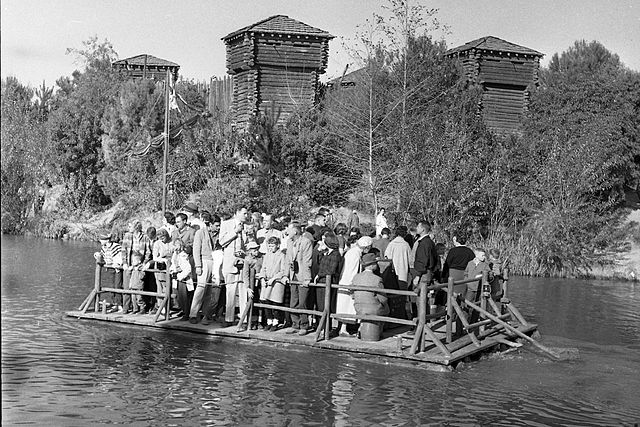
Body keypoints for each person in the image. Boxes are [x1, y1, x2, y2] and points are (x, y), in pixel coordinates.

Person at [189, 212, 223, 325]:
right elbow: (196, 249)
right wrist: (198, 265)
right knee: (201, 288)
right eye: (217, 225)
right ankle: (193, 314)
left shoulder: (218, 235)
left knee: (209, 290)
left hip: (214, 261)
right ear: (211, 224)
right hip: (204, 261)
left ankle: (205, 314)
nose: (218, 228)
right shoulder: (201, 232)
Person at [336, 236, 373, 335]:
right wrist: (353, 286)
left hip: (345, 282)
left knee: (346, 307)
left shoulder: (352, 252)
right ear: (366, 247)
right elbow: (352, 272)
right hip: (348, 284)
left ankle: (344, 328)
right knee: (347, 307)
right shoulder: (355, 255)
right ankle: (343, 329)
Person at [219, 205, 249, 327]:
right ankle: (229, 318)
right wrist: (235, 232)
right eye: (244, 213)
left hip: (242, 262)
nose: (246, 216)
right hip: (230, 262)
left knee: (243, 292)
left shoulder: (248, 226)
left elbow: (249, 244)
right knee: (230, 291)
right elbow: (221, 242)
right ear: (237, 213)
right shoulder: (226, 224)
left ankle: (244, 319)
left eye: (247, 214)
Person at [284, 222, 313, 335]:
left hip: (302, 275)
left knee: (302, 301)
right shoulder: (289, 242)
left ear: (295, 231)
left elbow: (307, 261)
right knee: (293, 300)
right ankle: (295, 323)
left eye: (289, 229)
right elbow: (287, 260)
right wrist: (285, 275)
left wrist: (307, 278)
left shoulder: (306, 242)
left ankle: (304, 325)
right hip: (293, 275)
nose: (287, 231)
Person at [121, 220, 152, 314]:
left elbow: (148, 252)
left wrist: (144, 263)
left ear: (136, 227)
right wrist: (125, 263)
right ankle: (126, 307)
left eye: (130, 226)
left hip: (139, 265)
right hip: (129, 264)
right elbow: (124, 250)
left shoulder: (145, 237)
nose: (128, 227)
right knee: (127, 286)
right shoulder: (127, 236)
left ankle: (139, 308)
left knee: (138, 287)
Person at [315, 233, 343, 335]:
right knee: (320, 305)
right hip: (322, 282)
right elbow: (320, 264)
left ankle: (326, 328)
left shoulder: (335, 255)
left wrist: (319, 275)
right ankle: (322, 327)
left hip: (327, 282)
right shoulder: (327, 253)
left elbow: (331, 270)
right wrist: (320, 253)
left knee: (325, 305)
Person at [258, 236, 288, 331]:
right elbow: (263, 268)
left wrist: (274, 278)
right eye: (269, 246)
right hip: (267, 281)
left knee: (275, 303)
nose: (270, 248)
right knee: (266, 302)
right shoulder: (267, 255)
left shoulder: (282, 256)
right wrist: (262, 278)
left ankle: (276, 322)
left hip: (276, 282)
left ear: (277, 245)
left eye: (272, 246)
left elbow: (283, 270)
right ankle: (269, 321)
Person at [171, 213, 196, 320]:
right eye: (176, 222)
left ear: (185, 221)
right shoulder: (175, 232)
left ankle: (188, 312)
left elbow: (193, 246)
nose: (177, 224)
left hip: (187, 260)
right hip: (178, 259)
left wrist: (186, 248)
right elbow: (174, 245)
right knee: (178, 291)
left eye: (179, 221)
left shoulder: (191, 231)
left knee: (187, 290)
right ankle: (182, 309)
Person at [353, 253, 389, 321]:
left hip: (358, 307)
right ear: (372, 265)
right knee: (386, 309)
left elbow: (352, 295)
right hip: (373, 309)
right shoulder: (377, 279)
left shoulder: (356, 277)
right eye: (375, 263)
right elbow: (383, 299)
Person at [94, 233, 123, 313]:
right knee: (111, 286)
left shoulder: (116, 247)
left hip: (117, 269)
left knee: (117, 286)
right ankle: (114, 303)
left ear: (107, 240)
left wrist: (117, 263)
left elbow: (121, 257)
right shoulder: (104, 248)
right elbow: (103, 257)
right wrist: (98, 255)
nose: (100, 241)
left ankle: (120, 304)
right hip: (110, 269)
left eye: (101, 240)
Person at [241, 240, 262, 330]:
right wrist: (248, 288)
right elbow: (245, 275)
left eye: (257, 249)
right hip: (251, 284)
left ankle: (259, 321)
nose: (256, 251)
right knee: (250, 301)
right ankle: (250, 321)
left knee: (259, 301)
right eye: (254, 250)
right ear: (249, 251)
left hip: (259, 283)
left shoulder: (260, 258)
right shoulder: (247, 260)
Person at [170, 239, 194, 319]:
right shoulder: (175, 255)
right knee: (178, 296)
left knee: (185, 297)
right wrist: (172, 270)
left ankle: (186, 313)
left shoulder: (183, 255)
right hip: (176, 277)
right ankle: (183, 310)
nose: (176, 247)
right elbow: (173, 264)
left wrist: (180, 276)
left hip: (183, 279)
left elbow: (188, 269)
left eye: (177, 245)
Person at [151, 228, 173, 315]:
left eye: (163, 237)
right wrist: (163, 259)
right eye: (160, 237)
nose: (162, 239)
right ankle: (161, 307)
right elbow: (154, 257)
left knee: (168, 287)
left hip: (170, 266)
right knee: (161, 287)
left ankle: (168, 305)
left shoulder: (170, 242)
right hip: (161, 267)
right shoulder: (157, 244)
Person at [384, 226, 411, 290]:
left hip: (392, 272)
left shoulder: (391, 244)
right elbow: (410, 260)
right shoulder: (406, 245)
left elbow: (387, 258)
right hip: (403, 272)